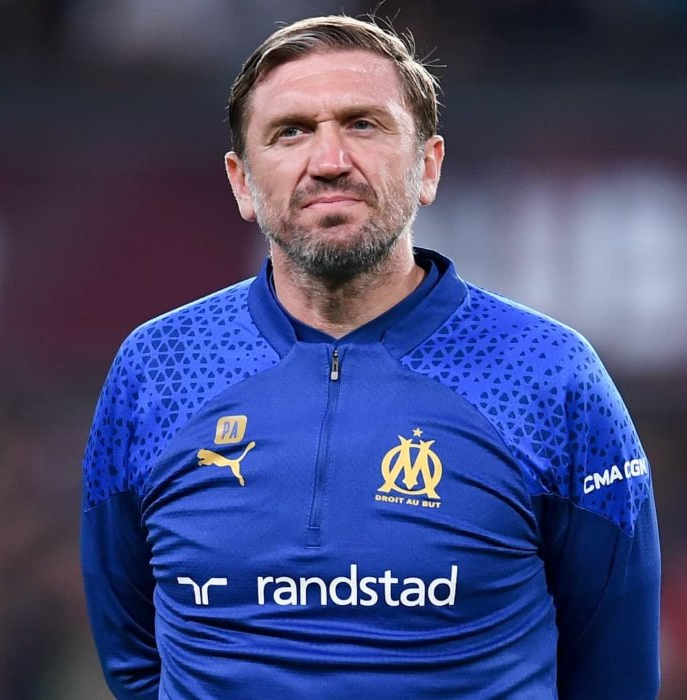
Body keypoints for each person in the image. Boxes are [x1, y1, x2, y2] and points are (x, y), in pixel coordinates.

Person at [81, 14, 661, 699]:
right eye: (290, 131)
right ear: (241, 182)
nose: (329, 160)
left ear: (428, 166)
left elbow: (617, 675)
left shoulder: (548, 375)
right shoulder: (157, 369)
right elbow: (132, 659)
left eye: (363, 124)